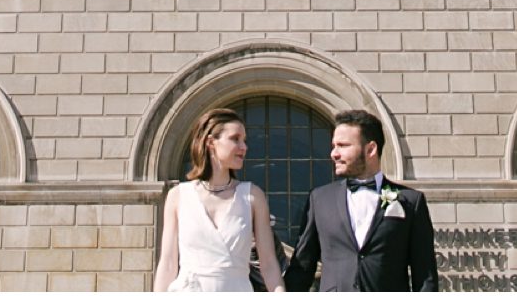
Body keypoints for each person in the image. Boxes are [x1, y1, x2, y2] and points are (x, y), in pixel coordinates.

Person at [281, 110, 437, 292]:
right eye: (334, 145)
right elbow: (302, 268)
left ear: (371, 149)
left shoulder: (410, 201)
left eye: (343, 145)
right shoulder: (319, 199)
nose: (334, 153)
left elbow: (425, 276)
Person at [154, 107, 287, 293]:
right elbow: (168, 263)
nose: (244, 147)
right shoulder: (178, 196)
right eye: (235, 139)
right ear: (211, 142)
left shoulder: (252, 196)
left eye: (244, 140)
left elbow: (269, 264)